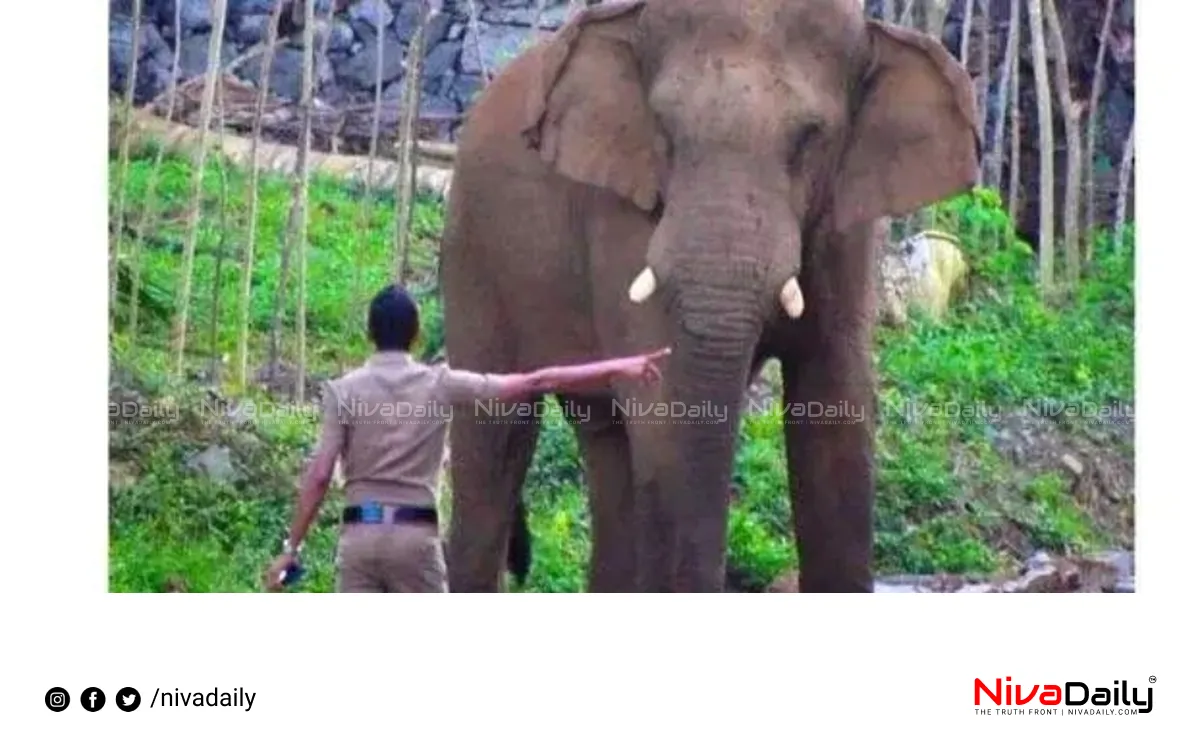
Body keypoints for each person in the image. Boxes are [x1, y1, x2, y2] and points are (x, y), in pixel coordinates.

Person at [264, 284, 670, 592]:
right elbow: (539, 380)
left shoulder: (344, 391)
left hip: (359, 541)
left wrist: (291, 547)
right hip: (415, 543)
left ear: (369, 331)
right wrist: (623, 364)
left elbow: (319, 475)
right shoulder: (440, 384)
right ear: (417, 334)